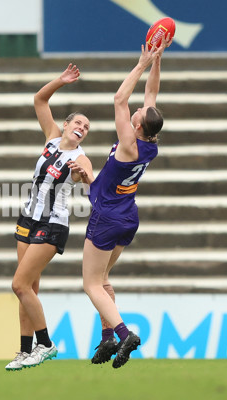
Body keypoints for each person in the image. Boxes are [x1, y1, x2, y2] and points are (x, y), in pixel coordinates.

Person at [77, 36, 172, 369]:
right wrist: (158, 60)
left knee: (90, 283)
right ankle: (106, 339)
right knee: (103, 280)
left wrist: (141, 63)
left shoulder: (129, 143)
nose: (136, 109)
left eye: (138, 113)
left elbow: (119, 98)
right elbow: (151, 96)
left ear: (137, 124)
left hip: (107, 216)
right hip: (127, 216)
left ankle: (123, 332)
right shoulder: (148, 143)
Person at [5, 64, 94, 371]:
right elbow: (39, 101)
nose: (82, 127)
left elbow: (91, 180)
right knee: (29, 288)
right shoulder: (52, 138)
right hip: (27, 219)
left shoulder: (79, 158)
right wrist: (61, 81)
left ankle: (45, 344)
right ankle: (25, 351)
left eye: (87, 127)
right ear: (66, 124)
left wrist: (84, 176)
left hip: (52, 224)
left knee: (19, 285)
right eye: (78, 122)